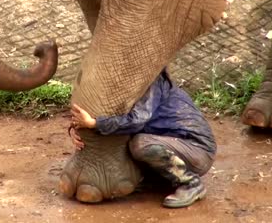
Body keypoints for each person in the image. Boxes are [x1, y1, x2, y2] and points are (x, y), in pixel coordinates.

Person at [69, 68, 216, 208]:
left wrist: (94, 124)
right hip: (174, 146)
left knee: (140, 144)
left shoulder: (152, 83)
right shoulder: (139, 84)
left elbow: (136, 121)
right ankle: (162, 181)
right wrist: (80, 131)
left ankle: (191, 183)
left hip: (196, 150)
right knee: (134, 142)